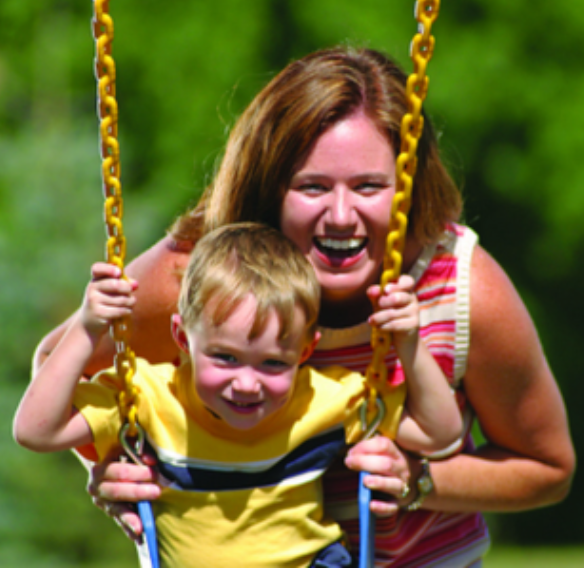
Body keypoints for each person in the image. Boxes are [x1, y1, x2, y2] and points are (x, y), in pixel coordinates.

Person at [32, 47, 575, 567]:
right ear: (270, 186)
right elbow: (58, 367)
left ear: (405, 187)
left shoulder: (459, 289)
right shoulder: (208, 281)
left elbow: (548, 467)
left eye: (369, 186)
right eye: (312, 187)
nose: (341, 216)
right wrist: (113, 465)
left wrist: (419, 481)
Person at [16, 222, 462, 567]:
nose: (247, 384)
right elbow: (36, 430)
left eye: (272, 363)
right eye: (225, 357)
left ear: (304, 352)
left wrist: (408, 342)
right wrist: (89, 326)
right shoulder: (149, 395)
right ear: (182, 338)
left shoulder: (325, 399)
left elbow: (440, 434)